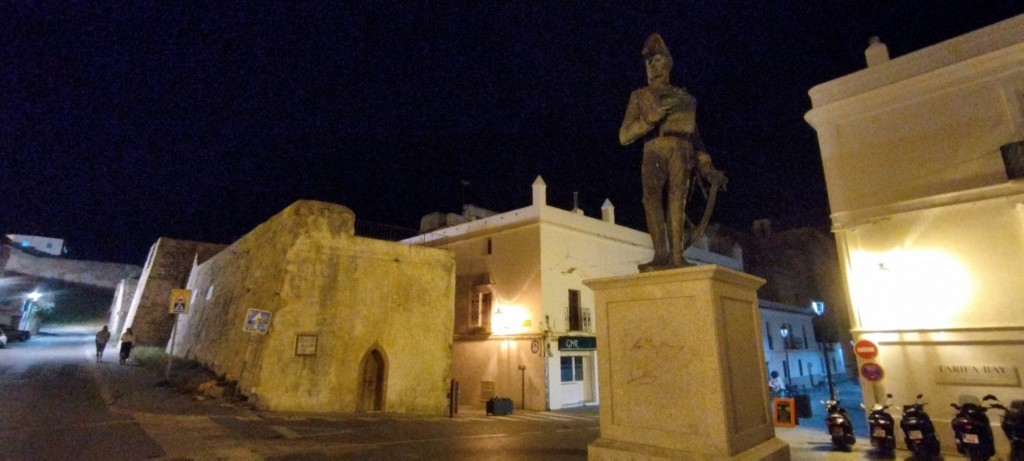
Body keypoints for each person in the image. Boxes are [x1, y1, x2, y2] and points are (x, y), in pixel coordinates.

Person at [619, 33, 727, 271]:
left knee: (678, 201)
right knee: (652, 200)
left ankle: (677, 257)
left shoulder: (685, 99)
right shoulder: (639, 96)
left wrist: (708, 168)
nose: (651, 66)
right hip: (653, 150)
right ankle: (660, 254)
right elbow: (624, 135)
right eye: (647, 62)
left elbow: (695, 137)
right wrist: (649, 119)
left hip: (682, 150)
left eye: (656, 60)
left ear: (667, 62)